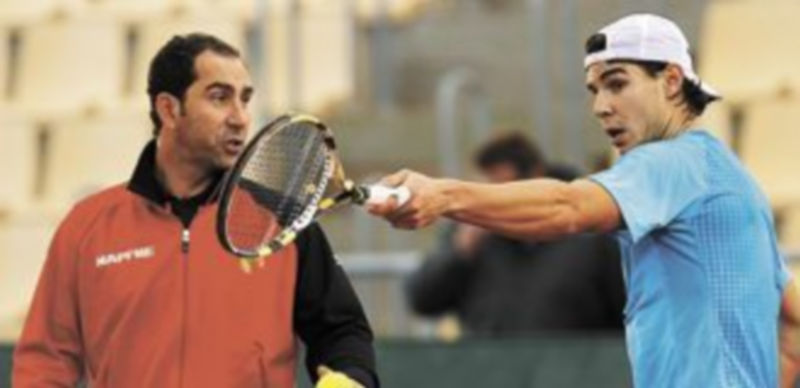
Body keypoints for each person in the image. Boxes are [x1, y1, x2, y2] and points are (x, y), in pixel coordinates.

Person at [369, 14, 800, 387]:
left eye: (617, 84)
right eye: (595, 89)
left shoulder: (672, 163)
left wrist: (445, 195)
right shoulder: (733, 180)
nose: (600, 106)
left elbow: (567, 207)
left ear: (671, 81)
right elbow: (794, 323)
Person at [13, 33, 377, 388]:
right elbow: (46, 361)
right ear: (169, 109)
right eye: (220, 98)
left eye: (245, 100)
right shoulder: (87, 225)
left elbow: (343, 332)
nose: (240, 117)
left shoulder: (283, 219)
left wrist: (349, 379)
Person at [406, 132, 624, 335]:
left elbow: (623, 309)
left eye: (503, 189)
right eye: (485, 190)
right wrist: (460, 253)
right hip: (491, 369)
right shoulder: (471, 234)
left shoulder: (589, 232)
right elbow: (422, 299)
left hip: (575, 370)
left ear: (534, 179)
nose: (493, 201)